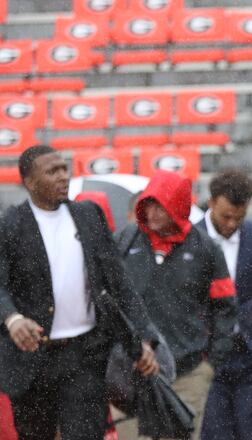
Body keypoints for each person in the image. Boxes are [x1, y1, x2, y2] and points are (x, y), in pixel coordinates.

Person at [0, 145, 159, 440]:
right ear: (30, 182)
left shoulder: (89, 216)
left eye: (64, 168)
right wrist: (12, 318)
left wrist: (144, 336)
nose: (63, 176)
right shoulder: (10, 225)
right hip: (34, 359)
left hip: (84, 355)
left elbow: (119, 283)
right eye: (52, 171)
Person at [116, 170, 237, 439]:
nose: (154, 213)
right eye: (149, 205)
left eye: (161, 205)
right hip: (131, 373)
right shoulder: (125, 241)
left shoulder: (206, 249)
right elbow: (107, 297)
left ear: (179, 206)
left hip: (187, 373)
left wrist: (211, 362)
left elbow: (226, 307)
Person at [196, 169, 252, 440]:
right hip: (207, 357)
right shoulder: (190, 242)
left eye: (239, 218)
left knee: (250, 434)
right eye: (225, 216)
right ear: (211, 203)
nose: (231, 224)